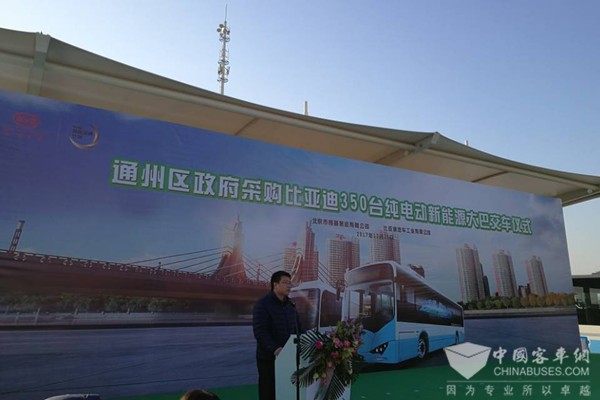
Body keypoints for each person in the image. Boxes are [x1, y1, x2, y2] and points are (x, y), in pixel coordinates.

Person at [252, 270, 302, 400]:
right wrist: (275, 349)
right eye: (285, 282)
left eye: (290, 283)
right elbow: (260, 331)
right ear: (275, 285)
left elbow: (299, 328)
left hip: (289, 357)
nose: (289, 286)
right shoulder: (263, 304)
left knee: (286, 390)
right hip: (269, 358)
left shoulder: (291, 305)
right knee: (268, 391)